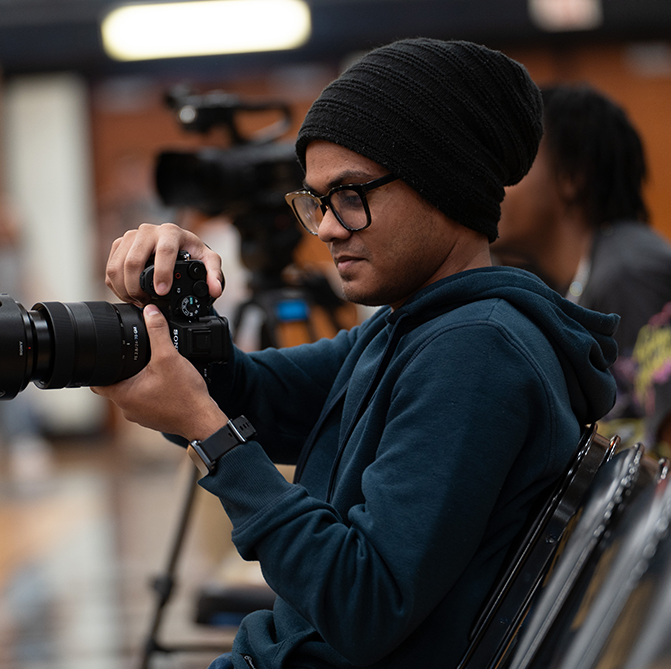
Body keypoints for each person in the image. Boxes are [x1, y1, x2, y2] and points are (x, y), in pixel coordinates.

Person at [96, 40, 619, 668]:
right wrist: (176, 307)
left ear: (444, 184)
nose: (326, 228)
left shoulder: (474, 352)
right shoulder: (411, 325)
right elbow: (258, 398)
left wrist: (210, 436)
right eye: (316, 201)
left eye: (351, 194)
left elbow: (363, 603)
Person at [492, 83, 671, 519]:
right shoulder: (594, 277)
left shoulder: (630, 276)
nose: (495, 183)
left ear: (571, 178)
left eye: (513, 163)